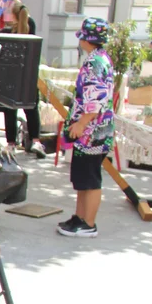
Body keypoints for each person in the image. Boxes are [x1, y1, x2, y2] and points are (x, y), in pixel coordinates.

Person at [58, 17, 114, 238]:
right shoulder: (100, 58)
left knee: (90, 178)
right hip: (94, 131)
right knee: (83, 176)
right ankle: (80, 217)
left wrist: (81, 124)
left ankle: (88, 223)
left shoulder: (94, 63)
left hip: (92, 132)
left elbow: (96, 99)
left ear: (85, 40)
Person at [0, 0, 47, 159]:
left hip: (11, 76)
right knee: (31, 108)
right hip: (29, 76)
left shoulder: (8, 32)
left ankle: (11, 144)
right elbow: (24, 14)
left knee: (10, 110)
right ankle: (36, 141)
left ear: (13, 17)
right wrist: (17, 2)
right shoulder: (31, 29)